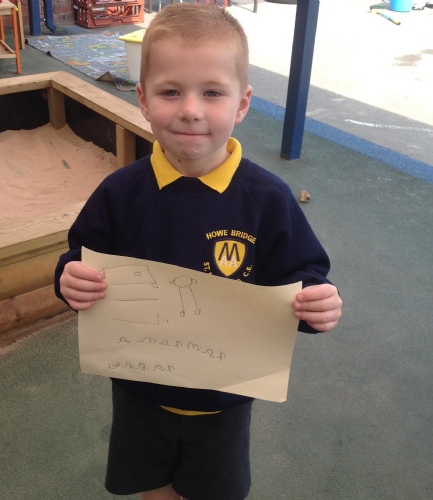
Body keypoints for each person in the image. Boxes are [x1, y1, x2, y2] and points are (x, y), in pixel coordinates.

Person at [54, 4, 342, 499]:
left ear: (243, 103)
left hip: (224, 402)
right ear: (143, 99)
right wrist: (68, 280)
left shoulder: (268, 199)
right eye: (170, 92)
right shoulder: (120, 193)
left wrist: (318, 303)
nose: (190, 109)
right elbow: (80, 257)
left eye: (212, 92)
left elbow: (303, 274)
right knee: (153, 489)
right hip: (140, 393)